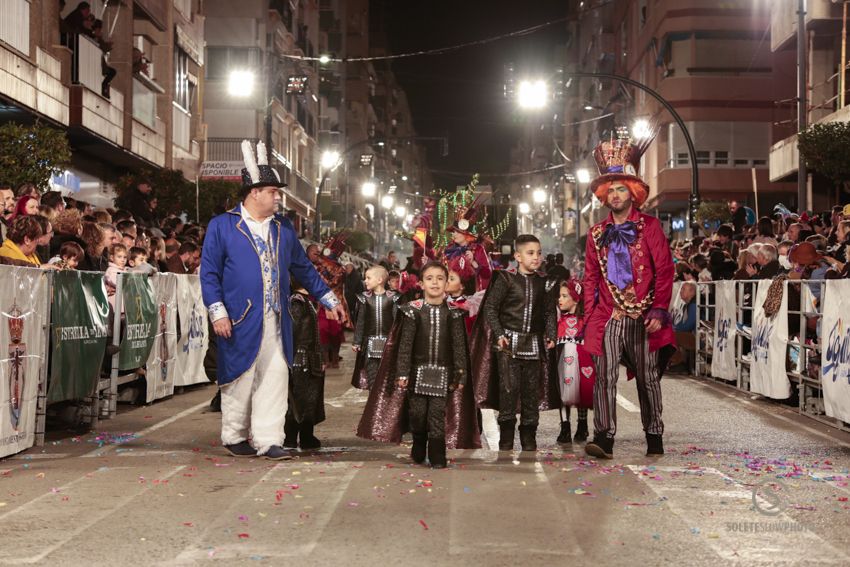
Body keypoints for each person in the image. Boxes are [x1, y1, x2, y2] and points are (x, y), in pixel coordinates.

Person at [200, 140, 343, 460]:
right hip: (238, 318)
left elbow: (303, 268)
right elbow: (208, 273)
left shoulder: (284, 228)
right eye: (273, 191)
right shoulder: (222, 226)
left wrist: (330, 299)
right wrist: (217, 311)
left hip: (278, 319)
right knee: (239, 378)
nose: (278, 196)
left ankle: (268, 439)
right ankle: (234, 434)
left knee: (276, 376)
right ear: (254, 192)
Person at [581, 134, 675, 460]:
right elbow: (590, 277)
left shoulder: (650, 227)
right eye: (611, 190)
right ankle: (603, 437)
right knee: (604, 377)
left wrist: (659, 310)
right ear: (604, 196)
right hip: (609, 316)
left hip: (644, 315)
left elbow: (664, 270)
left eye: (622, 188)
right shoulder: (595, 234)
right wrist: (590, 317)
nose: (616, 194)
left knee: (648, 378)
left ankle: (654, 434)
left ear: (632, 193)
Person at [357, 262, 477, 468]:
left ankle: (438, 454)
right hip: (416, 375)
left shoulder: (455, 313)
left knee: (437, 416)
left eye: (440, 278)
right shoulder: (412, 311)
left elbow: (459, 347)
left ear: (446, 282)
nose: (435, 283)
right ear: (421, 284)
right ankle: (419, 444)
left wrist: (461, 374)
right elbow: (405, 345)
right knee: (418, 415)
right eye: (430, 278)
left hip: (443, 375)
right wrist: (403, 373)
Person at [470, 234, 559, 452]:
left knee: (531, 394)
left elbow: (548, 312)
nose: (536, 257)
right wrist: (499, 333)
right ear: (518, 256)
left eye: (539, 253)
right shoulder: (505, 279)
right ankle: (506, 442)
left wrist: (551, 334)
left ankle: (529, 440)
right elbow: (490, 308)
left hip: (535, 346)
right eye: (530, 253)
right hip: (507, 347)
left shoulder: (545, 282)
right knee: (508, 394)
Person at [283, 278, 326, 451]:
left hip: (309, 358)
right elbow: (293, 332)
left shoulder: (305, 301)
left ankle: (306, 435)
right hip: (301, 360)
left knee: (310, 400)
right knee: (299, 400)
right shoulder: (297, 302)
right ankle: (292, 437)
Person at [555, 279, 594, 445]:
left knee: (580, 390)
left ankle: (582, 424)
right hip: (563, 360)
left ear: (576, 298)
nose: (560, 299)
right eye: (559, 296)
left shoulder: (585, 320)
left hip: (581, 359)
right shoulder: (558, 319)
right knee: (563, 391)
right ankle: (565, 426)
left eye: (564, 296)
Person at [351, 265, 398, 389]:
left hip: (388, 345)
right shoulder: (364, 298)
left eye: (368, 278)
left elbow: (396, 323)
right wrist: (357, 342)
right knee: (372, 376)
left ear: (379, 280)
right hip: (369, 345)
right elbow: (360, 322)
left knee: (387, 377)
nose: (365, 281)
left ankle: (382, 404)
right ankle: (373, 402)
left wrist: (397, 342)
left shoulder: (393, 298)